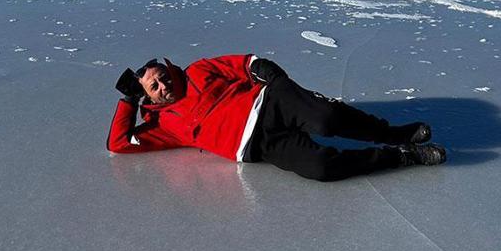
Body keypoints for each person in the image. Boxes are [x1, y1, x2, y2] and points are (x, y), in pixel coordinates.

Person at [107, 54, 446, 182]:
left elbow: (248, 63)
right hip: (259, 147)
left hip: (270, 102)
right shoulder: (164, 126)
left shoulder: (198, 70)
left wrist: (279, 81)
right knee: (321, 169)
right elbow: (118, 144)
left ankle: (393, 133)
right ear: (146, 98)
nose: (164, 85)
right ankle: (400, 156)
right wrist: (127, 102)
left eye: (163, 76)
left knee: (326, 119)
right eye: (154, 86)